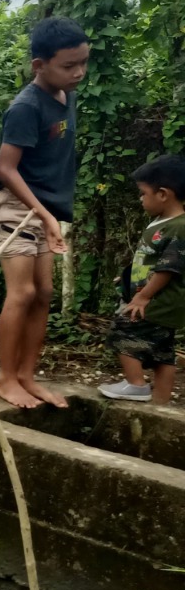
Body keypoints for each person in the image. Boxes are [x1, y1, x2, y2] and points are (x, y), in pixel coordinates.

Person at [0, 17, 89, 409]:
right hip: (12, 205)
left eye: (83, 63)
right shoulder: (26, 107)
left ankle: (26, 375)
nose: (78, 73)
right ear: (38, 65)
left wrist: (48, 214)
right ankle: (6, 379)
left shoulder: (66, 96)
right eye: (68, 65)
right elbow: (4, 169)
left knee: (43, 293)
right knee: (22, 292)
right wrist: (43, 214)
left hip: (41, 209)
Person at [99, 154, 185, 406]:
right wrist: (127, 277)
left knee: (122, 328)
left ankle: (137, 385)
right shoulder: (161, 222)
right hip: (160, 300)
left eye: (142, 193)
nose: (140, 199)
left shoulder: (179, 227)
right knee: (162, 352)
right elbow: (148, 260)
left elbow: (169, 268)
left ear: (162, 194)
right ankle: (160, 403)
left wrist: (143, 295)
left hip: (158, 299)